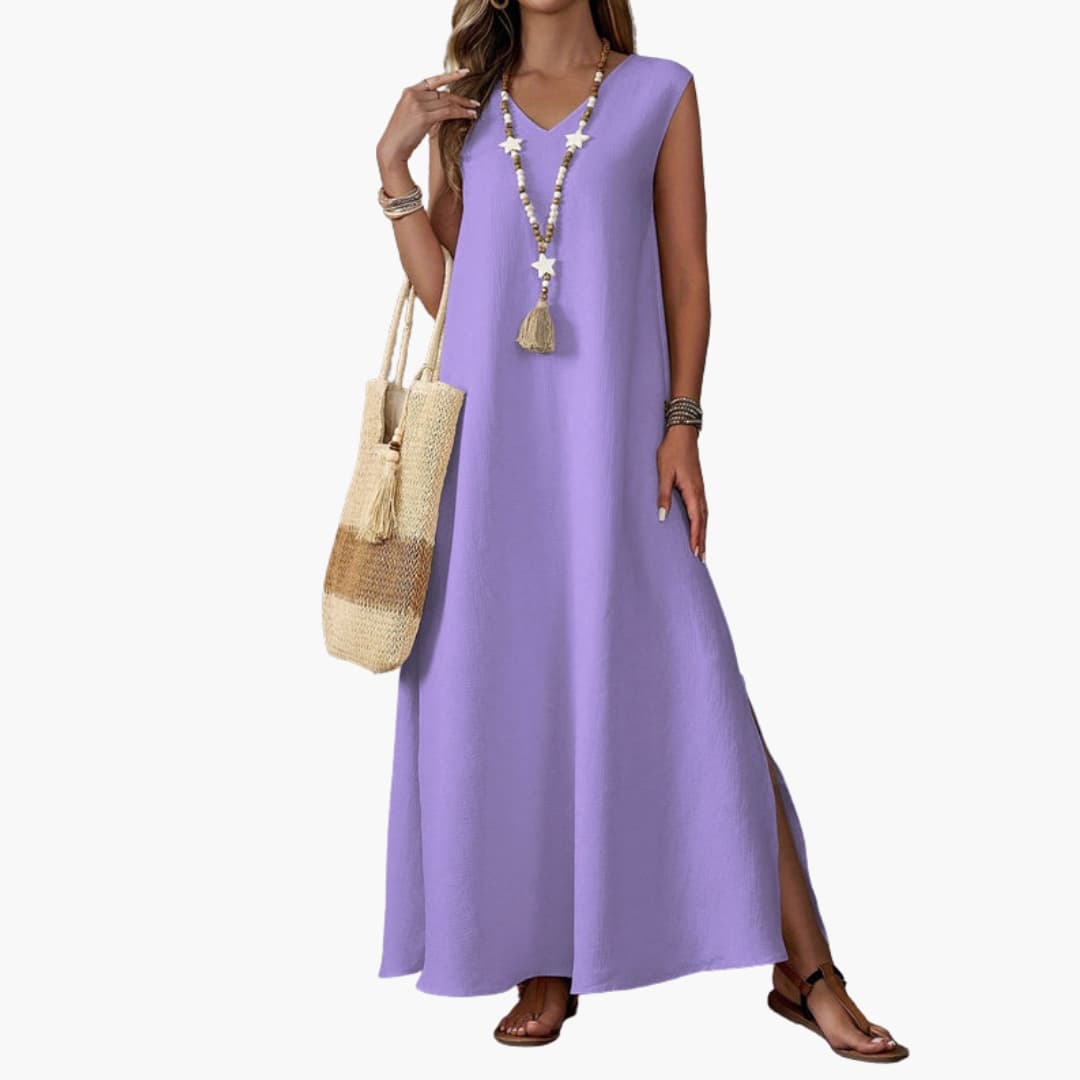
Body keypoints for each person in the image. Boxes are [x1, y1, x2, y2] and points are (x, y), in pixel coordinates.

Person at [371, 0, 907, 1062]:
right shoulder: (463, 108)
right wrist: (395, 173)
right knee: (515, 690)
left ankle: (809, 969)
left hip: (616, 445)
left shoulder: (660, 91)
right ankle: (541, 956)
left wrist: (683, 423)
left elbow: (688, 273)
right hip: (490, 453)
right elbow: (456, 296)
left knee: (698, 683)